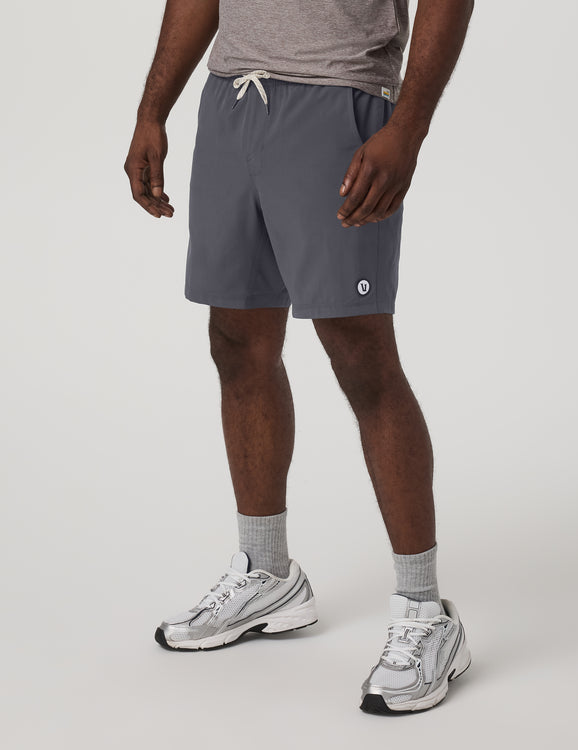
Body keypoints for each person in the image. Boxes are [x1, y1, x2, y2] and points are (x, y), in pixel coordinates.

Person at [124, 0, 474, 714]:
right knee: (236, 341)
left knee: (361, 354)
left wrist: (407, 129)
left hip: (338, 101)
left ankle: (426, 613)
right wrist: (152, 109)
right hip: (232, 98)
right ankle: (267, 572)